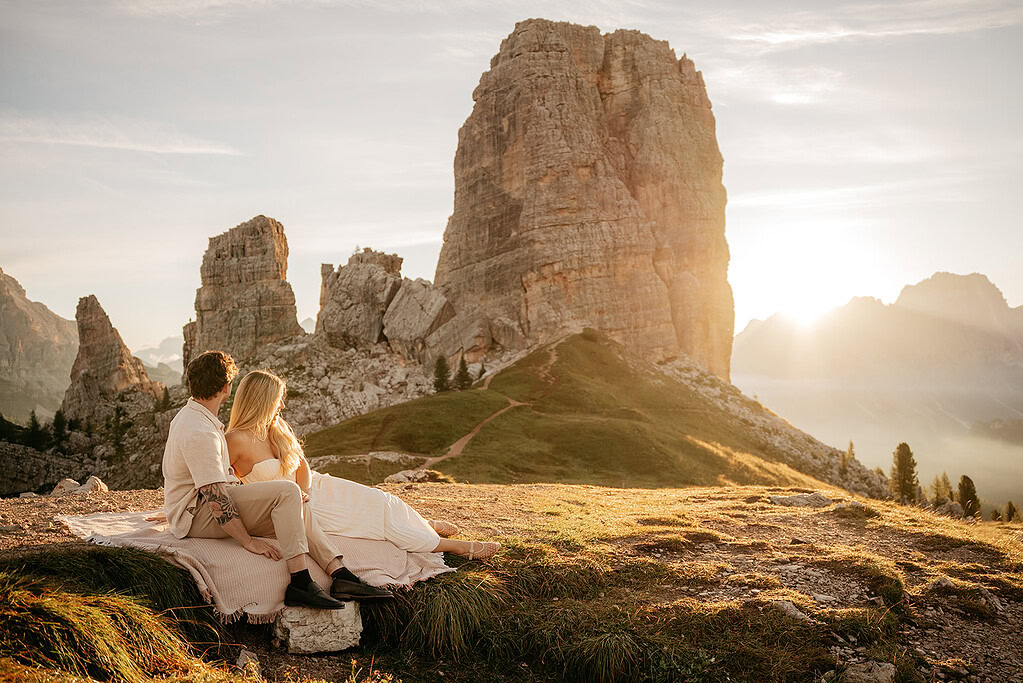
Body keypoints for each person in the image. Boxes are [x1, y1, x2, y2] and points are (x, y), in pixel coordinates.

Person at [161, 350, 393, 609]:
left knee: (295, 506)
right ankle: (300, 581)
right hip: (198, 514)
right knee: (287, 492)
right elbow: (216, 498)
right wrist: (249, 543)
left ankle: (340, 575)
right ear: (226, 388)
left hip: (197, 506)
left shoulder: (193, 417)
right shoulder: (200, 431)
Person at [224, 369, 501, 562]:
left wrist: (305, 488)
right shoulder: (234, 440)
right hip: (296, 508)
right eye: (277, 400)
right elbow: (222, 486)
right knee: (376, 522)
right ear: (262, 401)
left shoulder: (276, 427)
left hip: (314, 489)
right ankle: (456, 547)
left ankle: (423, 523)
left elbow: (302, 463)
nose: (282, 406)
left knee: (381, 499)